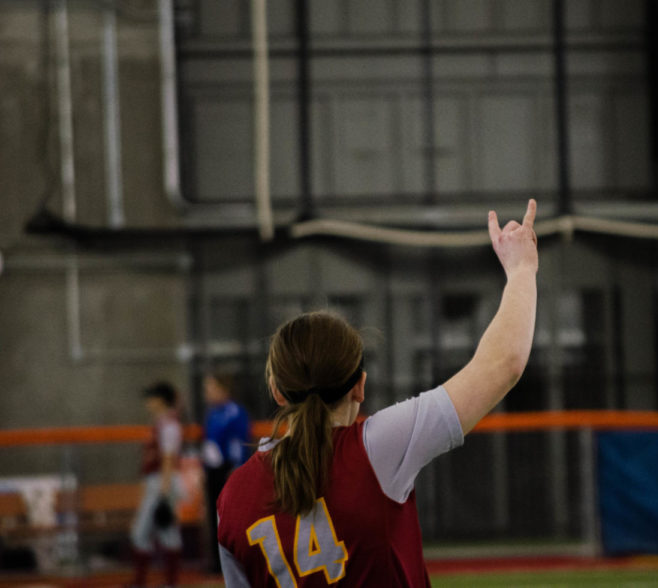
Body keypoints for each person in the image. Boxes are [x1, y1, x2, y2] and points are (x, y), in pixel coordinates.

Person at [216, 199, 539, 587]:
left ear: (277, 392)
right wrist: (522, 269)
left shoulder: (232, 497)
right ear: (360, 386)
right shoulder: (378, 451)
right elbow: (504, 364)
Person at [129, 381, 183, 588]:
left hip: (162, 482)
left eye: (151, 397)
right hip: (158, 481)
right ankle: (167, 582)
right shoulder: (162, 422)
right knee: (165, 533)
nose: (148, 402)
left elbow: (169, 458)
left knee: (143, 533)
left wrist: (164, 491)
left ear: (161, 400)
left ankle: (150, 582)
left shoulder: (169, 424)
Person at [202, 372, 251, 572]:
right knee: (215, 518)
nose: (207, 393)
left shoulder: (235, 412)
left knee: (232, 517)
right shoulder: (212, 414)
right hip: (213, 471)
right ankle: (217, 563)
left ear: (223, 390)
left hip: (228, 471)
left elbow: (240, 442)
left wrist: (237, 470)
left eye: (211, 388)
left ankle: (240, 561)